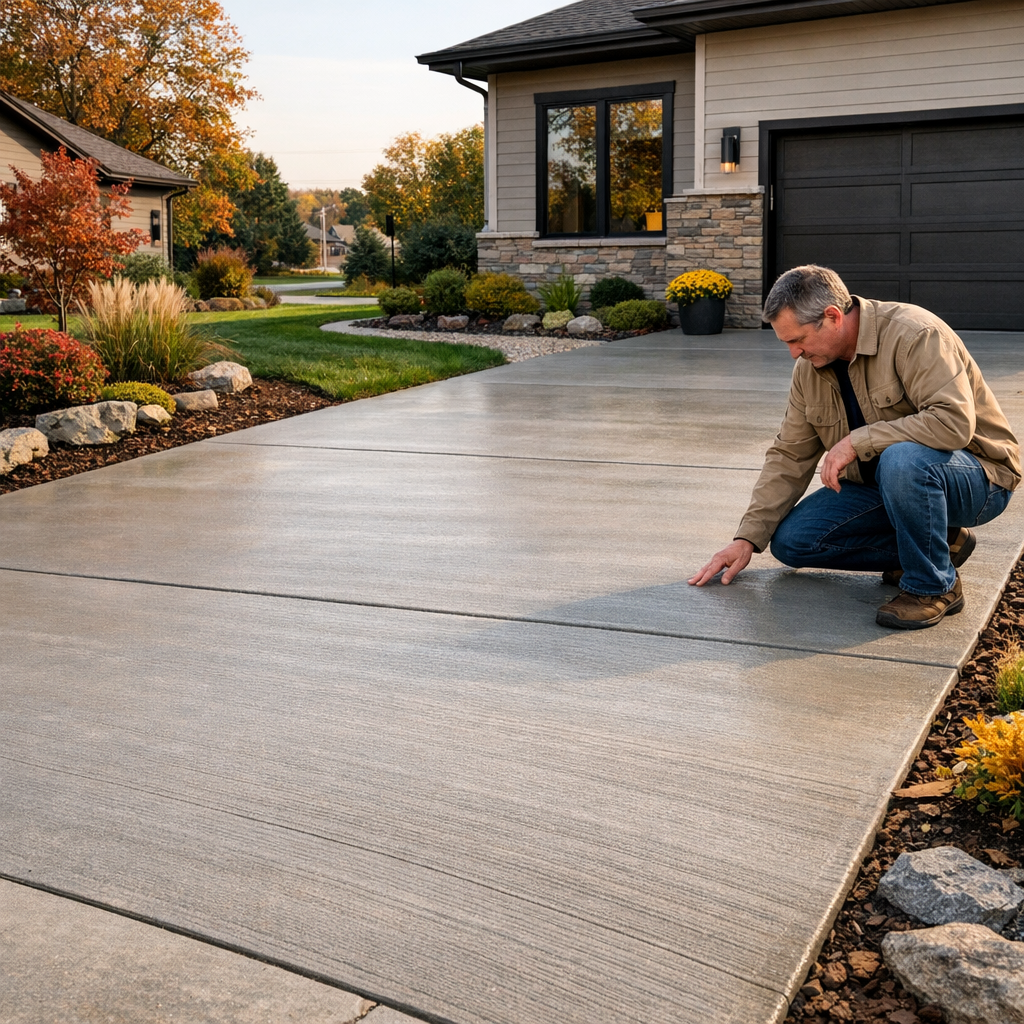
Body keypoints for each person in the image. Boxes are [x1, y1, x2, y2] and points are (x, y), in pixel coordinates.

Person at [689, 265, 1020, 629]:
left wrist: (858, 441)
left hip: (978, 478)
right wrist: (747, 539)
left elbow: (953, 423)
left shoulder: (916, 334)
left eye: (796, 340)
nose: (793, 353)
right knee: (791, 542)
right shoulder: (810, 370)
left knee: (902, 458)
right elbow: (789, 455)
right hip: (887, 486)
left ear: (832, 317)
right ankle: (942, 542)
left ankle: (932, 586)